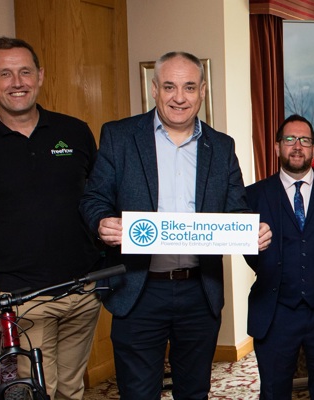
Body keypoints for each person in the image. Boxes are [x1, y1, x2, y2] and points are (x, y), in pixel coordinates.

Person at [79, 51, 272, 400]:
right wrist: (102, 222)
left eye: (188, 87)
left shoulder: (222, 147)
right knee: (138, 393)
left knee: (194, 391)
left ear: (202, 91)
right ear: (154, 90)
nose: (179, 98)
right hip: (138, 291)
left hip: (199, 292)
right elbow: (93, 198)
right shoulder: (119, 137)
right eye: (169, 86)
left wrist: (250, 231)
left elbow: (235, 209)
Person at [0, 36, 101, 400]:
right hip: (24, 298)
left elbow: (99, 199)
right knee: (34, 391)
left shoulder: (74, 131)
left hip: (84, 290)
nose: (18, 82)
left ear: (40, 76)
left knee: (73, 387)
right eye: (6, 74)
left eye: (25, 72)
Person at [245, 115, 314, 400]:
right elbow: (250, 251)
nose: (297, 146)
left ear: (313, 147)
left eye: (304, 140)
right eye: (290, 139)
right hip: (275, 311)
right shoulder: (253, 196)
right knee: (273, 391)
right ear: (277, 147)